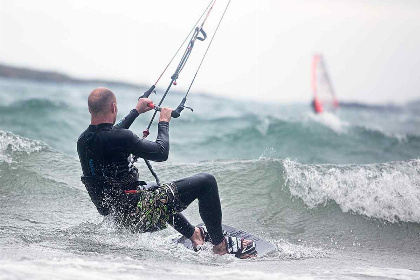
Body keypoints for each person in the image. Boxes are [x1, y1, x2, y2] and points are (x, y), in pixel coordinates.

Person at [77, 87, 256, 258]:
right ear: (114, 107)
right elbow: (161, 152)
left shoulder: (83, 141)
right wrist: (164, 121)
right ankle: (220, 246)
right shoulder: (120, 137)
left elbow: (109, 134)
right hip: (137, 216)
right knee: (207, 182)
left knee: (153, 188)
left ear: (90, 109)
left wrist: (136, 111)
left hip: (117, 216)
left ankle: (194, 235)